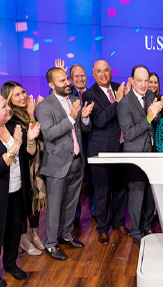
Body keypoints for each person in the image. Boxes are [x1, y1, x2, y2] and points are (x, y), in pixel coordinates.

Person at [36, 67, 93, 261]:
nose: (68, 83)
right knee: (54, 206)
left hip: (77, 161)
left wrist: (84, 117)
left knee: (71, 202)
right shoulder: (44, 106)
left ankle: (66, 234)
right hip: (57, 164)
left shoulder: (75, 100)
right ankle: (51, 244)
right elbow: (49, 133)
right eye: (62, 81)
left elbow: (84, 129)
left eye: (66, 79)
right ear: (51, 85)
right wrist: (71, 118)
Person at [0, 89, 40, 287]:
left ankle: (10, 264)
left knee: (14, 231)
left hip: (16, 190)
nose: (9, 108)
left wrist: (31, 140)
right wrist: (16, 145)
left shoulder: (11, 126)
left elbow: (28, 155)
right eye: (4, 106)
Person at [82, 60, 130, 246]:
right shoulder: (89, 94)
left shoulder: (120, 88)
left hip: (123, 148)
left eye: (106, 70)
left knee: (120, 189)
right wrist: (118, 101)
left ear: (111, 72)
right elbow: (100, 120)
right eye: (99, 71)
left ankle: (118, 223)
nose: (103, 74)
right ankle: (102, 228)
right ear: (93, 74)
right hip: (101, 151)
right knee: (102, 192)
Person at [118, 66, 163, 248]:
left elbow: (156, 121)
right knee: (137, 195)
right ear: (132, 81)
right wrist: (149, 117)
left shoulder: (151, 96)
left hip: (152, 152)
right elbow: (128, 134)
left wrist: (157, 112)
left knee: (150, 195)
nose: (144, 84)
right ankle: (136, 232)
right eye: (139, 80)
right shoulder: (124, 104)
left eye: (146, 80)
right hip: (135, 155)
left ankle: (146, 226)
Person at [1, 82, 45, 256]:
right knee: (23, 204)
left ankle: (34, 234)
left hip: (35, 165)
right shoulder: (10, 118)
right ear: (8, 98)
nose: (23, 97)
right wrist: (30, 114)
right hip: (21, 168)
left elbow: (38, 135)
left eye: (23, 92)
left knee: (35, 202)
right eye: (17, 95)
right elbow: (25, 141)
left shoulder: (28, 113)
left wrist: (32, 114)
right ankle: (23, 238)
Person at [66, 64, 96, 228]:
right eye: (76, 76)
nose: (80, 79)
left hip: (91, 143)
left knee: (93, 181)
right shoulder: (66, 95)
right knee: (74, 183)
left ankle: (95, 211)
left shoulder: (93, 94)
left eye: (83, 75)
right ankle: (75, 215)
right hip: (73, 147)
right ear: (70, 79)